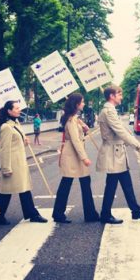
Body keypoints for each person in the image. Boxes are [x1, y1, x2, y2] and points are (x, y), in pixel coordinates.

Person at [96, 85, 140, 224]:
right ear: (112, 96)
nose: (122, 97)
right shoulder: (109, 111)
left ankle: (135, 211)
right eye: (119, 94)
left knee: (126, 184)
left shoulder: (111, 110)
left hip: (117, 153)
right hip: (113, 154)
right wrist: (139, 146)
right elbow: (120, 131)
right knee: (111, 186)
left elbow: (122, 130)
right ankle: (106, 214)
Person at [0, 101, 47, 225]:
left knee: (24, 189)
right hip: (12, 164)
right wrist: (6, 168)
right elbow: (5, 149)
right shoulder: (6, 127)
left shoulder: (16, 124)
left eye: (19, 108)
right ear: (9, 111)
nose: (19, 110)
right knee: (6, 192)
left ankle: (32, 214)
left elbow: (16, 143)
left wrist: (25, 141)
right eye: (16, 108)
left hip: (20, 162)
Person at [52, 93, 100, 223]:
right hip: (72, 155)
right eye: (82, 102)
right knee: (66, 184)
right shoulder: (71, 120)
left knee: (83, 182)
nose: (84, 104)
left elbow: (79, 135)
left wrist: (84, 128)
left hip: (75, 155)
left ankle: (90, 214)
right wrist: (84, 158)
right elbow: (75, 140)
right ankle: (58, 214)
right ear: (77, 104)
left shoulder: (74, 119)